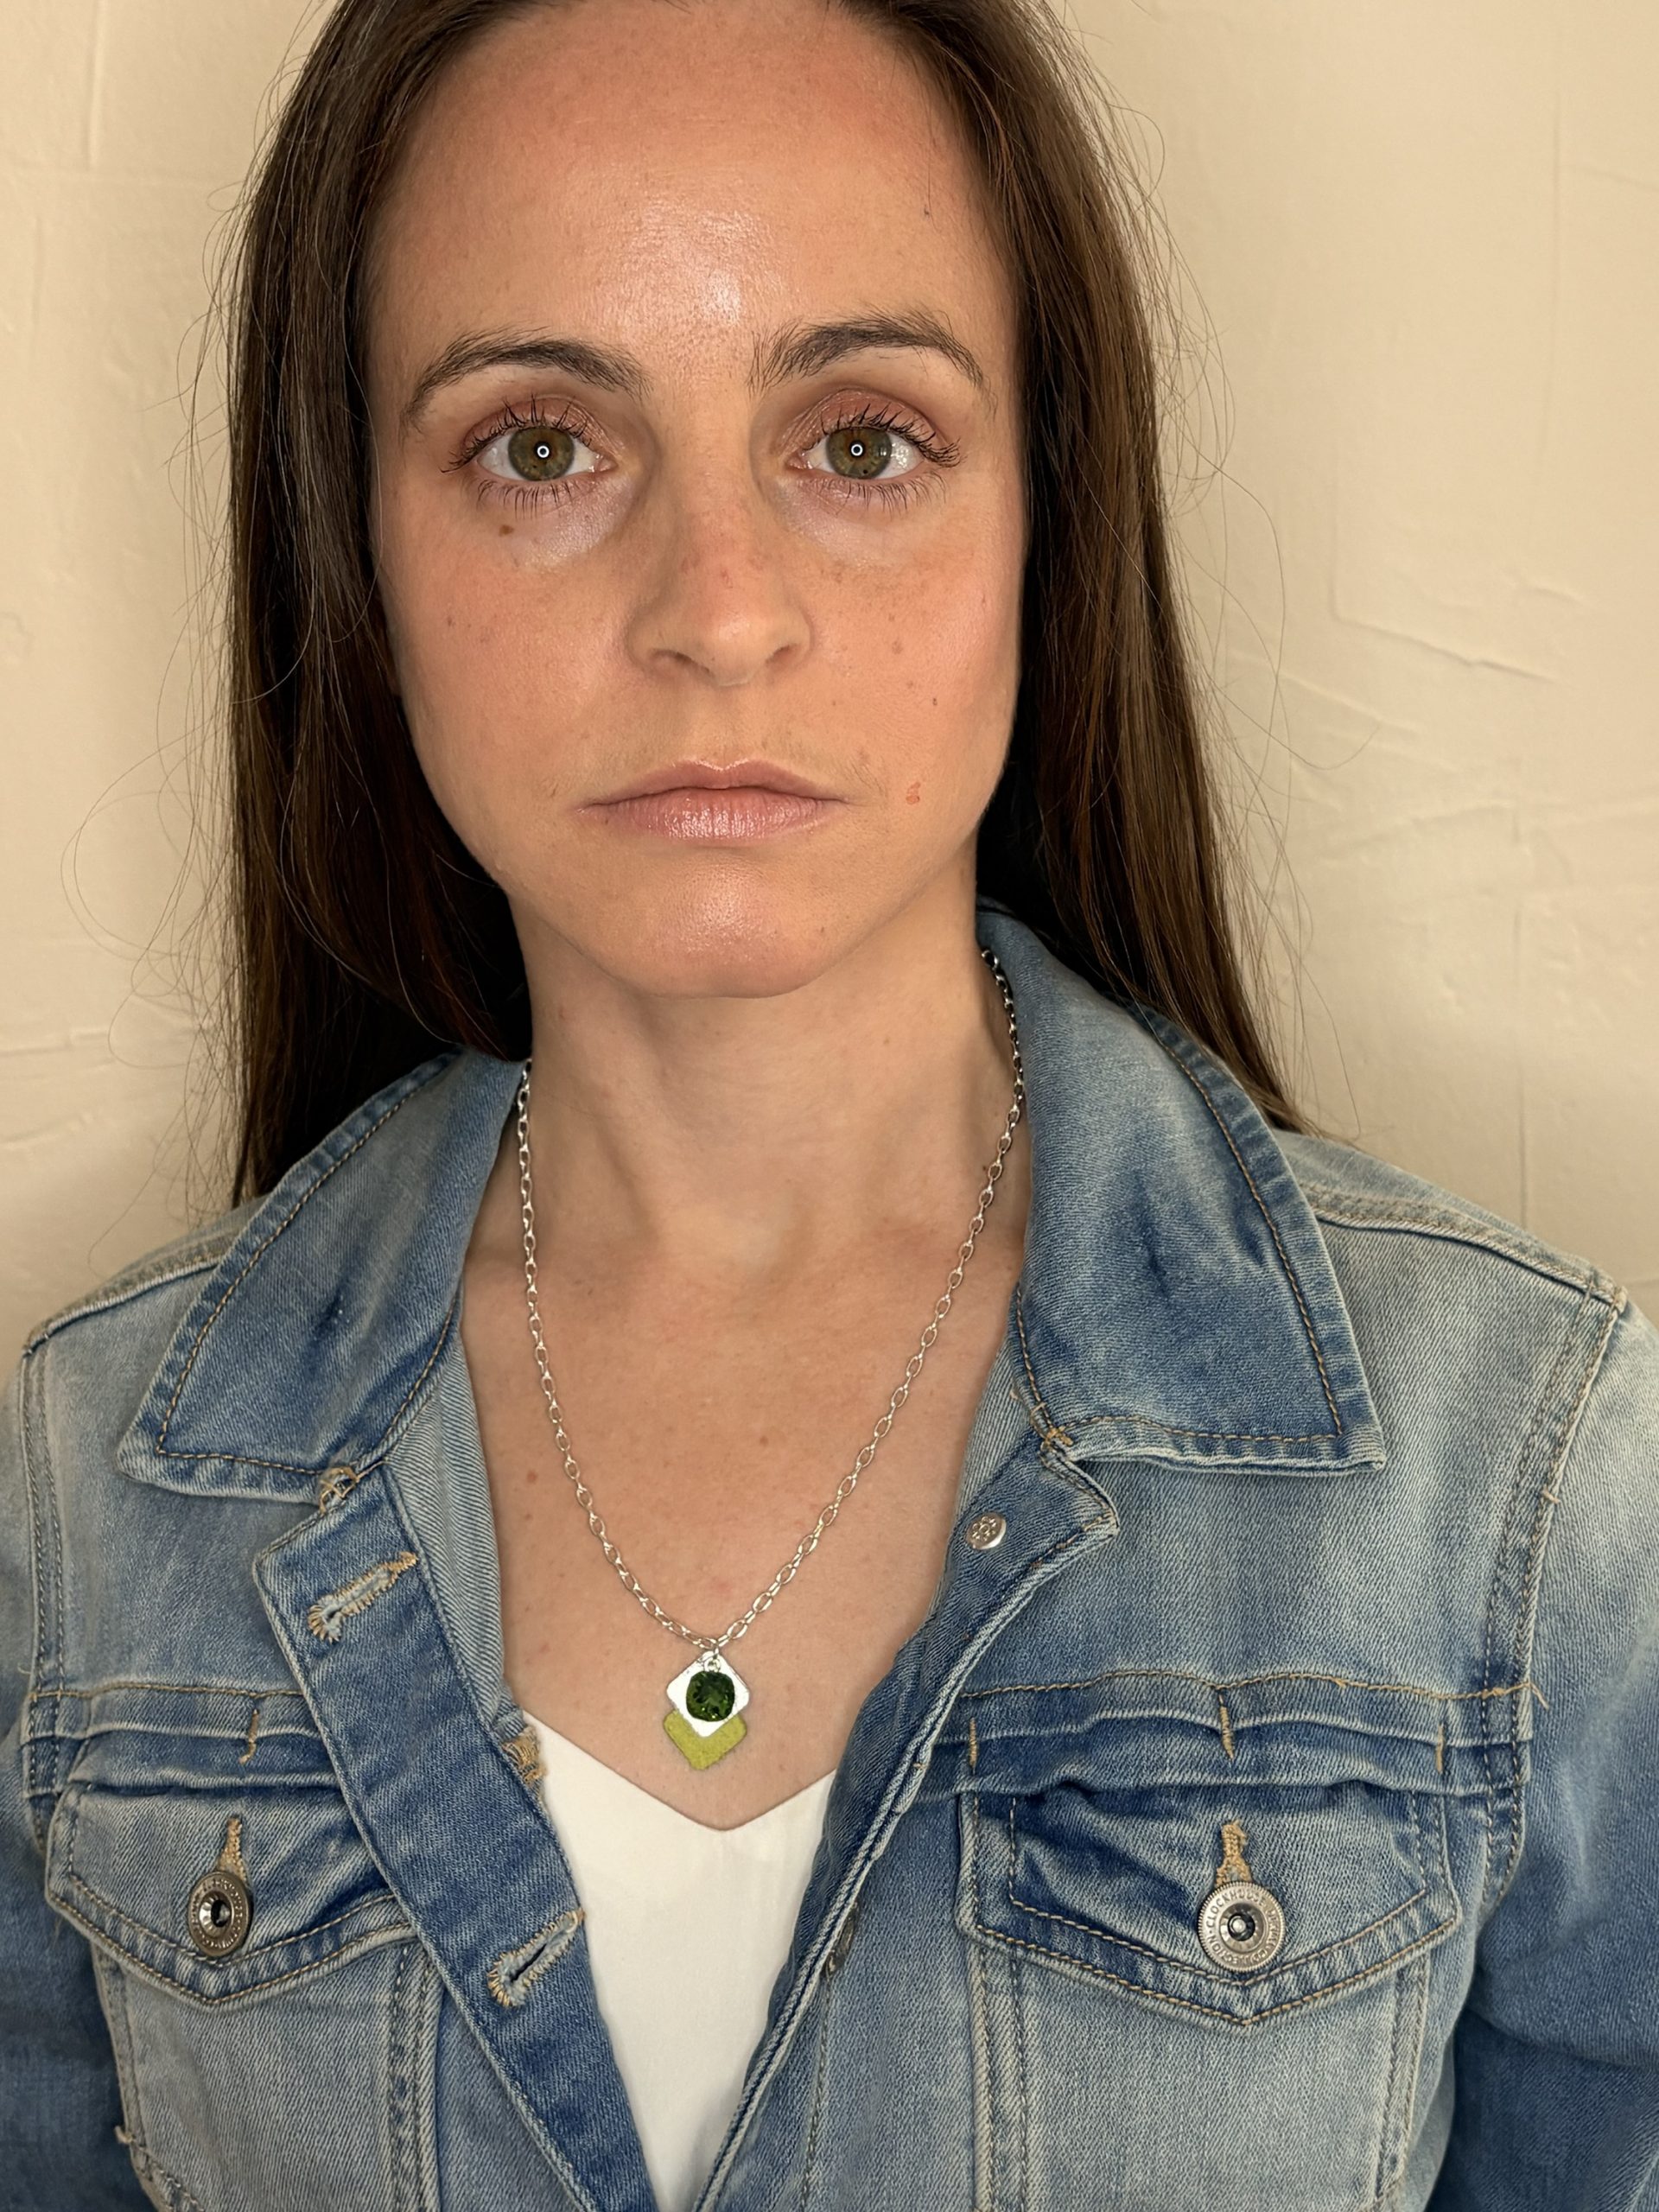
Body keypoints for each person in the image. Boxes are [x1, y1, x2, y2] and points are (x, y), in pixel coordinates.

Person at [3, 0, 1656, 2204]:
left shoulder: (1526, 1475)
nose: (719, 612)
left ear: (1045, 513)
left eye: (861, 441)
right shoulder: (84, 1492)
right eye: (539, 446)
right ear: (360, 551)